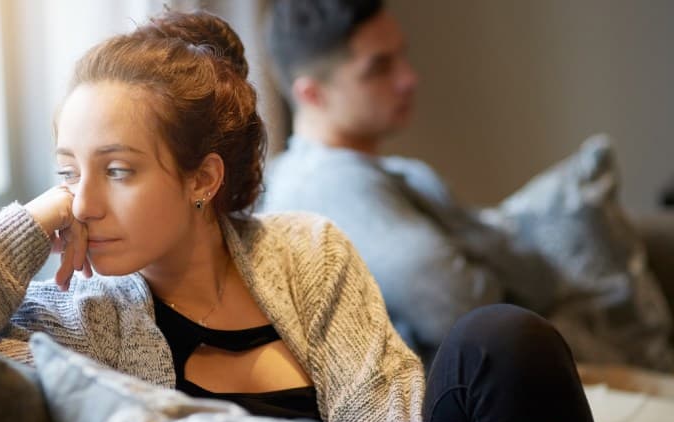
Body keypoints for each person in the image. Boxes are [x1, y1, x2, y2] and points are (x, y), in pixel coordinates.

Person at [0, 9, 596, 422]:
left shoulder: (308, 251)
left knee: (499, 339)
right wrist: (30, 220)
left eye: (116, 171)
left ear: (202, 179)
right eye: (66, 172)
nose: (81, 203)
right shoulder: (70, 307)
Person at [260, 0, 671, 370]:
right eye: (380, 68)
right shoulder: (325, 186)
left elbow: (525, 277)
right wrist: (498, 260)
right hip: (486, 397)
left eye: (403, 56)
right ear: (312, 95)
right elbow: (461, 307)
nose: (409, 78)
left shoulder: (396, 173)